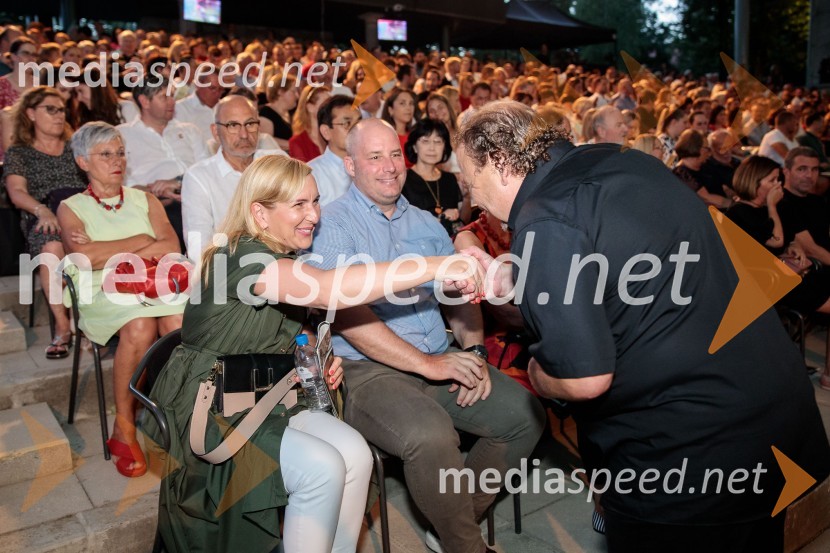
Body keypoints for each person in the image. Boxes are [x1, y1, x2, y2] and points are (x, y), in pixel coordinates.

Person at [456, 100, 830, 553]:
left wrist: (538, 373)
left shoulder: (546, 214)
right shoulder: (623, 161)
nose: (472, 197)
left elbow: (585, 379)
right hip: (774, 413)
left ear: (497, 162)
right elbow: (613, 275)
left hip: (692, 455)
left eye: (470, 180)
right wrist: (510, 280)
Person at [146, 153, 481, 553]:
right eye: (299, 205)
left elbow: (282, 330)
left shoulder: (283, 254)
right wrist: (439, 265)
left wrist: (316, 356)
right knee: (322, 469)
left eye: (316, 201)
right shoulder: (241, 255)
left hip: (265, 392)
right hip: (212, 402)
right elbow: (326, 290)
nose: (314, 215)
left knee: (355, 453)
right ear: (260, 213)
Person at [308, 118, 545, 553]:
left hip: (439, 354)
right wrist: (430, 365)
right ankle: (465, 546)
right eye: (374, 157)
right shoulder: (332, 225)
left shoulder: (425, 224)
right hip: (367, 370)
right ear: (349, 164)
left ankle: (452, 522)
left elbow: (458, 300)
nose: (389, 166)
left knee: (524, 416)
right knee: (431, 436)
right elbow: (348, 317)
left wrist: (473, 353)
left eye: (394, 154)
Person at [57, 121, 187, 478]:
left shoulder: (144, 199)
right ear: (83, 162)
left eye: (120, 152)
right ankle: (125, 424)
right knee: (140, 325)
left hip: (152, 281)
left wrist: (112, 248)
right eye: (105, 154)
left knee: (177, 321)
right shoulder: (71, 207)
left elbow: (171, 247)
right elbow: (88, 260)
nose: (116, 161)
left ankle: (181, 413)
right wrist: (143, 238)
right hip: (102, 289)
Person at [3, 86, 86, 358]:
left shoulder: (76, 147)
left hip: (82, 211)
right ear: (30, 113)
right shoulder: (20, 152)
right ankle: (63, 325)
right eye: (50, 109)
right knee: (51, 248)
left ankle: (93, 316)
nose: (58, 115)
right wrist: (42, 210)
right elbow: (16, 192)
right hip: (45, 214)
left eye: (61, 109)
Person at [182, 95, 284, 258]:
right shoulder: (199, 177)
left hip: (283, 258)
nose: (244, 134)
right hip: (230, 268)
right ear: (215, 132)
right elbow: (198, 247)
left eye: (250, 124)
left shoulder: (277, 162)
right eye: (233, 125)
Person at [117, 77, 209, 251]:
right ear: (144, 101)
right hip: (152, 202)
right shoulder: (123, 135)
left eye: (172, 96)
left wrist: (180, 184)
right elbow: (119, 184)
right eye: (164, 97)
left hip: (194, 193)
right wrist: (154, 191)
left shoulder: (189, 130)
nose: (172, 102)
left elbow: (208, 171)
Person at [403, 119, 464, 235]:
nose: (432, 148)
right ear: (415, 146)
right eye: (425, 141)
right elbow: (403, 224)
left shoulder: (450, 179)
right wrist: (442, 217)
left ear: (444, 147)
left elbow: (461, 219)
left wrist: (467, 197)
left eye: (438, 142)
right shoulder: (403, 180)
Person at [308, 94, 359, 206]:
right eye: (347, 123)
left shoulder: (372, 165)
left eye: (359, 122)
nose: (356, 129)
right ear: (326, 131)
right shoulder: (312, 174)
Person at [288, 84, 331, 162]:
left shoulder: (333, 135)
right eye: (325, 104)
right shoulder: (298, 142)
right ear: (310, 107)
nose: (331, 108)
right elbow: (302, 173)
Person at [259, 73, 298, 151]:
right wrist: (295, 145)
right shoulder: (266, 113)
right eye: (293, 91)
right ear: (280, 92)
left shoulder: (292, 112)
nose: (297, 95)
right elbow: (265, 140)